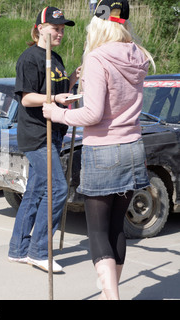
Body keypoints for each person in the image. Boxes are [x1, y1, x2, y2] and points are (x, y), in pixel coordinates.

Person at [43, 0, 155, 299]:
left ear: (98, 23)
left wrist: (57, 114)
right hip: (133, 147)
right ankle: (111, 289)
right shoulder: (138, 55)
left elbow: (92, 115)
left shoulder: (97, 57)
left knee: (97, 232)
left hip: (103, 149)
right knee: (117, 228)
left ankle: (111, 296)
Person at [8, 7, 80, 273]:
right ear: (40, 29)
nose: (60, 33)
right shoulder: (30, 58)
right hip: (37, 134)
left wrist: (71, 82)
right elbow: (26, 98)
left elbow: (59, 92)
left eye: (62, 29)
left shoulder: (56, 57)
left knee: (36, 192)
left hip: (56, 131)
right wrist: (54, 99)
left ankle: (17, 249)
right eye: (55, 28)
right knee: (58, 189)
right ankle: (39, 251)